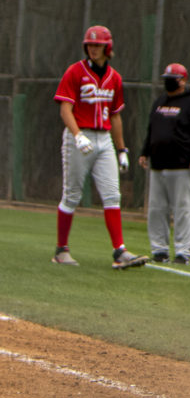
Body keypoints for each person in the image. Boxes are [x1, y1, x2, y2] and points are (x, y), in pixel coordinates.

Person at [52, 25, 149, 269]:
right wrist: (77, 135)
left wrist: (122, 149)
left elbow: (115, 116)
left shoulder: (114, 78)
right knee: (72, 194)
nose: (93, 49)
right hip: (80, 135)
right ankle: (61, 250)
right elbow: (65, 108)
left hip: (104, 139)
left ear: (108, 47)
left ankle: (120, 252)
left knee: (112, 194)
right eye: (90, 44)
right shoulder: (75, 71)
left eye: (98, 45)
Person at [139, 63, 190, 265]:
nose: (168, 81)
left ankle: (183, 252)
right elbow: (151, 129)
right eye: (167, 77)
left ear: (183, 80)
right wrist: (145, 152)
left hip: (182, 165)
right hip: (158, 165)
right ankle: (159, 250)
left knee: (183, 209)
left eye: (173, 77)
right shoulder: (159, 101)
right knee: (156, 209)